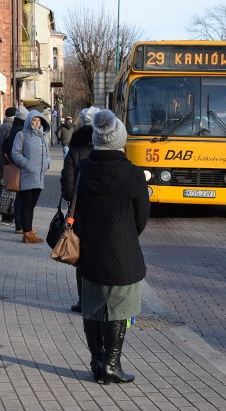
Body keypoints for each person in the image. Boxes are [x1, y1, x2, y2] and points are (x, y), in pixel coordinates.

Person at [76, 109, 150, 385]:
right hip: (123, 252)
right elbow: (142, 217)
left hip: (90, 250)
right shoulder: (133, 173)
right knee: (120, 309)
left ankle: (97, 361)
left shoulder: (84, 169)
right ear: (120, 140)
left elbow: (76, 206)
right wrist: (127, 234)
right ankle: (111, 364)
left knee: (93, 306)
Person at [60, 106, 98, 313]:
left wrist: (73, 198)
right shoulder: (104, 150)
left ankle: (84, 300)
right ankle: (100, 300)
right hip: (103, 212)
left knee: (81, 257)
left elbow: (67, 187)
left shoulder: (74, 151)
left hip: (81, 212)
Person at [11, 110, 50, 243]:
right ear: (29, 121)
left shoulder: (43, 136)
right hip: (26, 174)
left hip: (39, 176)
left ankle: (28, 232)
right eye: (34, 120)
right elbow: (15, 153)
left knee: (32, 205)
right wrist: (26, 163)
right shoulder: (21, 135)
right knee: (26, 204)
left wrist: (47, 164)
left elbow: (47, 153)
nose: (36, 123)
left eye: (38, 121)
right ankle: (26, 233)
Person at [4, 107, 29, 234]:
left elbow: (4, 146)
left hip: (15, 165)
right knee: (22, 197)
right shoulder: (20, 131)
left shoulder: (13, 128)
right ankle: (21, 225)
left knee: (19, 197)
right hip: (20, 166)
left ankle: (20, 225)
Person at [0, 107, 17, 224]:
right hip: (7, 162)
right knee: (9, 190)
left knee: (2, 188)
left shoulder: (1, 127)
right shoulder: (10, 127)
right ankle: (7, 215)